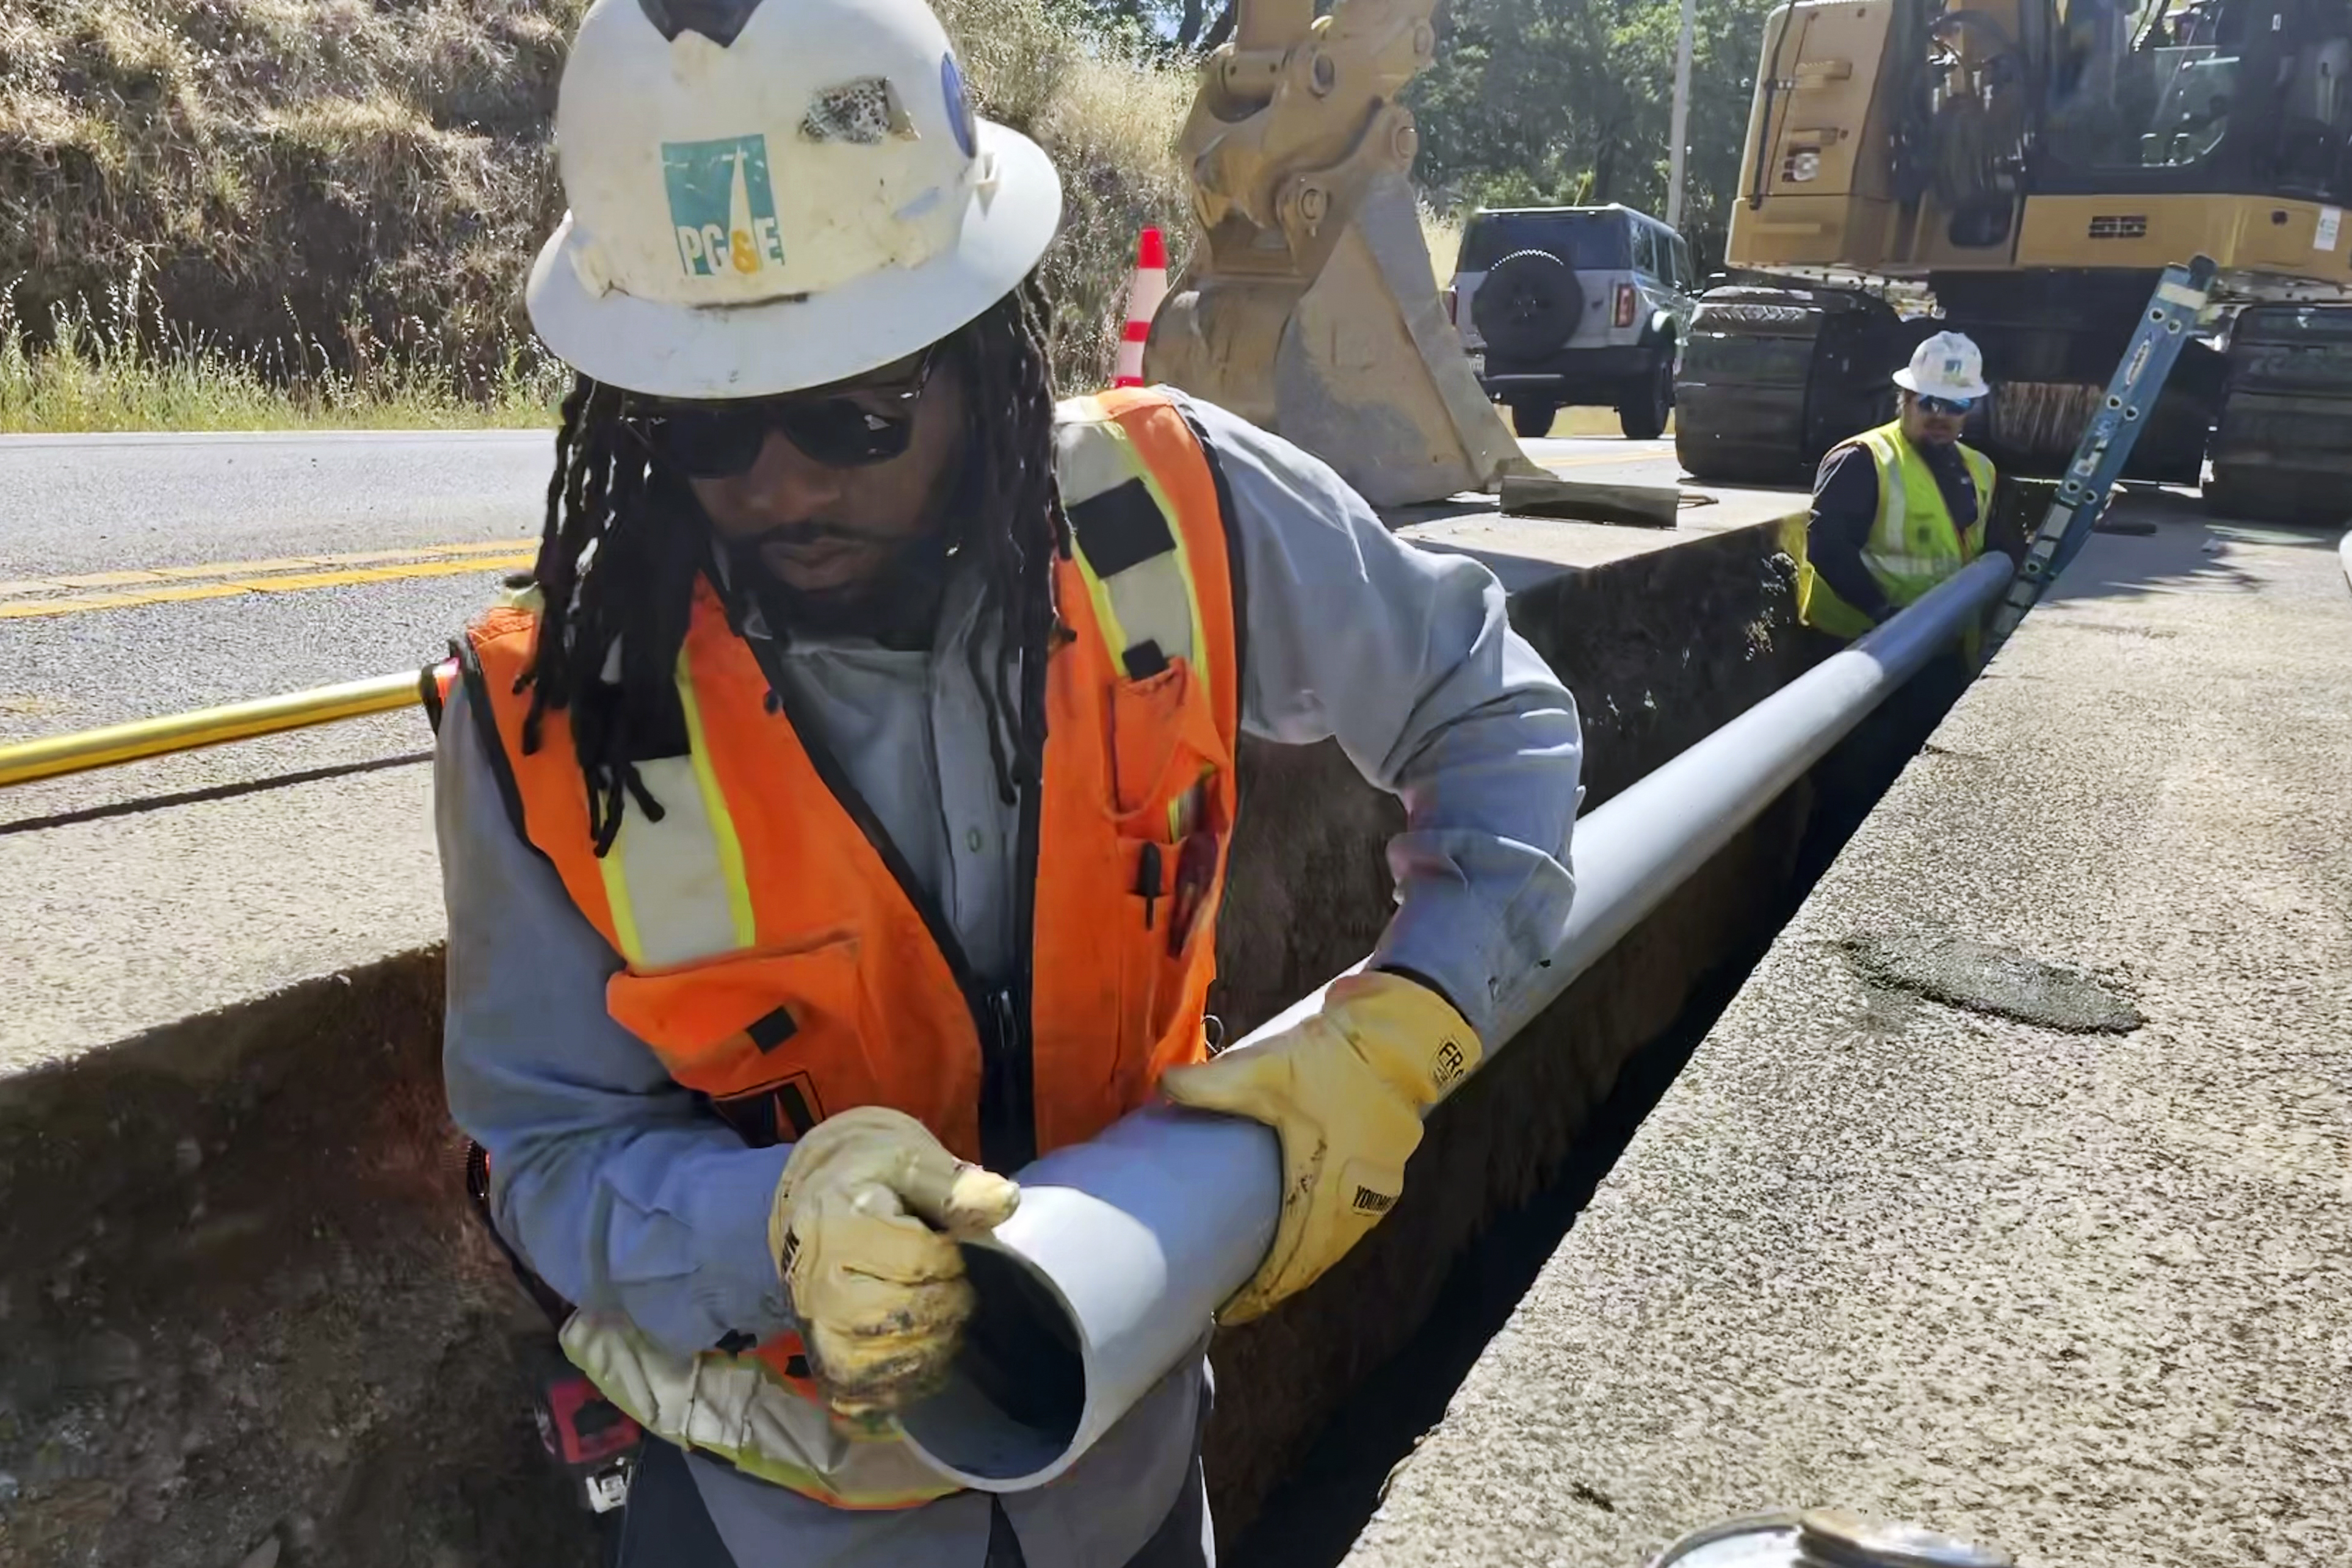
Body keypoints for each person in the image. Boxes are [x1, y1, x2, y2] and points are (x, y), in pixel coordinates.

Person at [431, 0, 1583, 1562]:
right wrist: (767, 1228)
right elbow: (543, 1157)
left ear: (976, 354)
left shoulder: (1172, 518)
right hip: (776, 1515)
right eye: (710, 426)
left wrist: (1413, 1020)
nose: (778, 482)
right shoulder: (549, 716)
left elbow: (1489, 707)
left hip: (1119, 1477)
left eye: (854, 413)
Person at [1797, 330, 1998, 643]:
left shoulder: (1981, 468)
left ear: (1970, 409)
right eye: (1929, 402)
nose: (1940, 416)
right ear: (1904, 399)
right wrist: (1881, 612)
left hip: (1941, 639)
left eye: (1955, 405)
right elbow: (1829, 549)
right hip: (1860, 644)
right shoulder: (1862, 459)